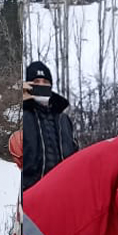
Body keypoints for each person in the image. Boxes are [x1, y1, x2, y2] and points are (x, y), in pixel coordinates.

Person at [20, 60, 79, 192]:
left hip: (62, 192)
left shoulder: (64, 119)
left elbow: (74, 156)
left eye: (45, 82)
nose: (41, 85)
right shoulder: (21, 117)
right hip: (30, 192)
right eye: (36, 82)